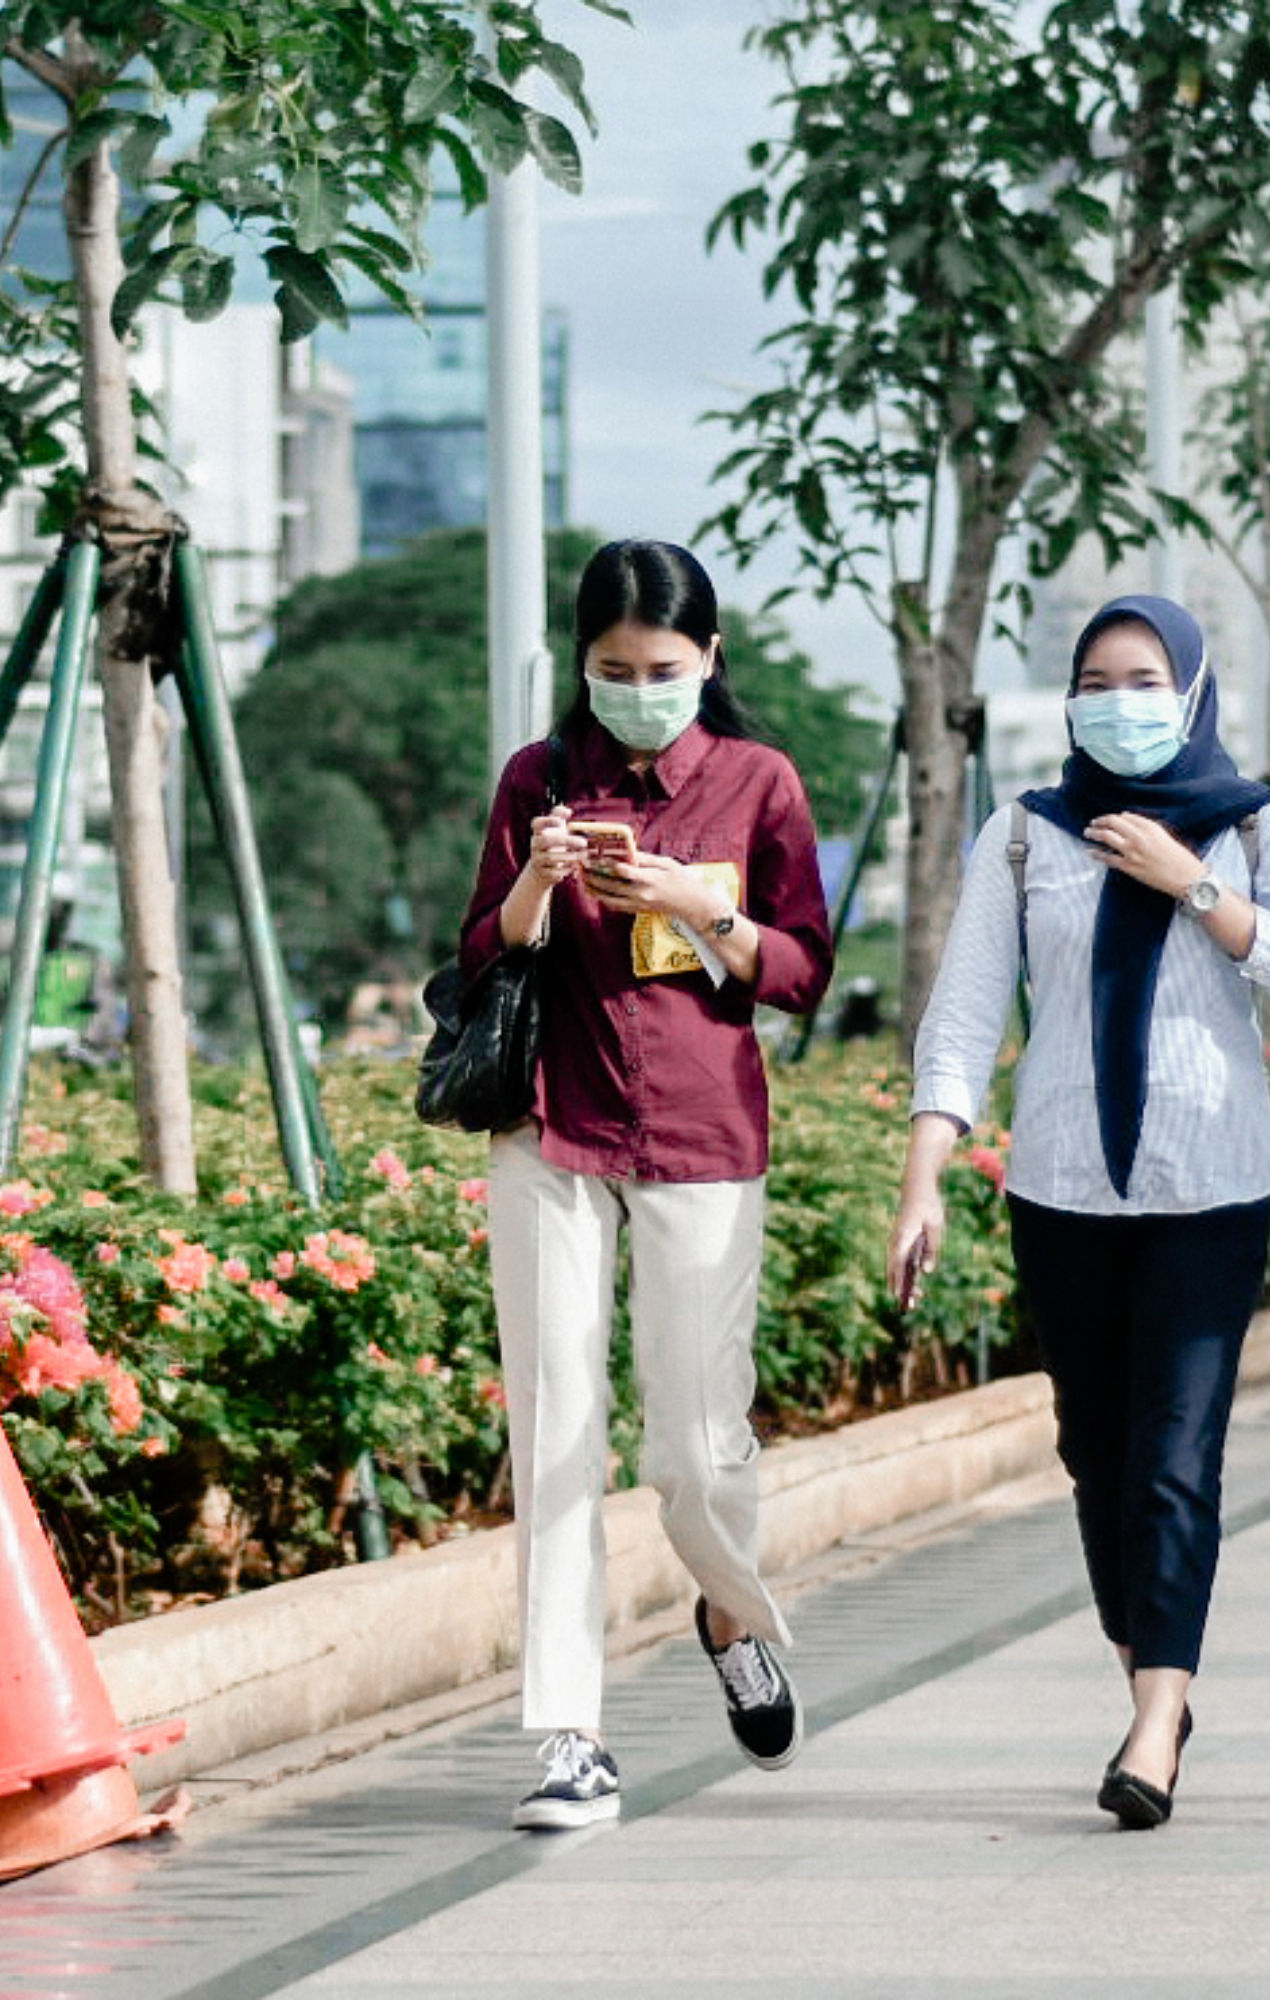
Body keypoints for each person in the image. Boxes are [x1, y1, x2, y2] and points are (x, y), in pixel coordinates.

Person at [893, 595, 1270, 1829]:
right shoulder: (1028, 834)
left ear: (1192, 689)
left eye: (1144, 677)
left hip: (1212, 1189)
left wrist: (1193, 882)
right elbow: (968, 1010)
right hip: (1063, 1188)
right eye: (1095, 677)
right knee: (1097, 1457)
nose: (1118, 698)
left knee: (1173, 1458)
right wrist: (926, 1173)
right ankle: (1156, 1663)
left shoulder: (1256, 825)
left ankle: (1156, 1720)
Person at [453, 538, 836, 1831]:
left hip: (703, 1134)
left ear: (709, 659)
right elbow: (475, 950)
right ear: (582, 664)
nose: (637, 689)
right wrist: (536, 886)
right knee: (555, 1425)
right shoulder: (539, 778)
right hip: (549, 1127)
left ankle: (732, 1608)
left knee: (695, 1443)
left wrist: (698, 905)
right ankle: (570, 1733)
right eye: (612, 669)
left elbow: (801, 969)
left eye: (662, 668)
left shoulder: (758, 782)